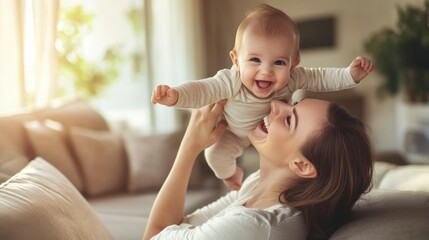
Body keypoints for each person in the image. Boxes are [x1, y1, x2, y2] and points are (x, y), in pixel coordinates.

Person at [151, 4, 374, 191]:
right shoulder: (231, 80)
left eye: (278, 62)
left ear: (294, 64)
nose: (266, 71)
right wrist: (176, 96)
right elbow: (202, 90)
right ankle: (231, 175)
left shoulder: (294, 78)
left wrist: (349, 75)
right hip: (232, 132)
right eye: (255, 60)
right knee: (215, 157)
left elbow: (323, 78)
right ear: (236, 61)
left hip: (270, 131)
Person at [143, 98, 374, 240]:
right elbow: (178, 224)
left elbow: (155, 234)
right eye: (291, 104)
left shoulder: (256, 227)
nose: (275, 104)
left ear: (302, 165)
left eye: (289, 120)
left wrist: (189, 146)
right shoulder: (258, 185)